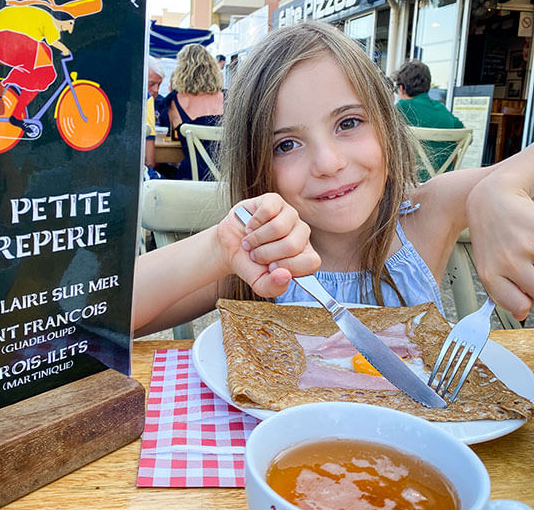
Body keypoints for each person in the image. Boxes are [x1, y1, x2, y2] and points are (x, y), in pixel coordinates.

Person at [133, 22, 534, 337]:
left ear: (386, 127)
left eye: (349, 122)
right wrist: (219, 248)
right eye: (286, 145)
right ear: (256, 166)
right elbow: (87, 319)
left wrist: (500, 186)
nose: (328, 162)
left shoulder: (427, 214)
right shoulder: (257, 257)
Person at [0, 0, 102, 130]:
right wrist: (66, 51)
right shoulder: (49, 21)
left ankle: (16, 115)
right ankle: (14, 80)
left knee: (40, 78)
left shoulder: (44, 21)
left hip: (4, 44)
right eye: (70, 24)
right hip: (5, 42)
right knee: (45, 68)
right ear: (64, 20)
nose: (69, 30)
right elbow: (54, 42)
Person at [392, 59, 465, 179]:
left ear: (402, 88)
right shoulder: (441, 108)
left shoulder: (402, 107)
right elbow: (465, 134)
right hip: (446, 180)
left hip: (413, 180)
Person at [167, 43, 224, 180]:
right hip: (227, 178)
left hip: (192, 179)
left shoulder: (174, 102)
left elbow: (173, 135)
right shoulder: (227, 98)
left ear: (181, 70)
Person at [145, 57, 164, 174]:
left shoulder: (162, 102)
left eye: (159, 84)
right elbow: (149, 161)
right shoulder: (147, 100)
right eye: (152, 84)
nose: (156, 90)